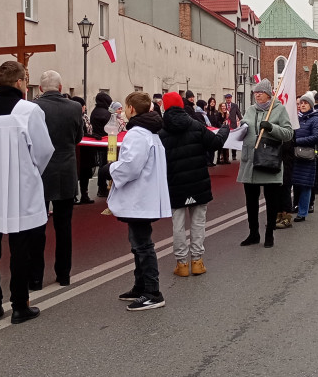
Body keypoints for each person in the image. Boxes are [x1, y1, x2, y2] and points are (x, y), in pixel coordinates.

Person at [0, 61, 54, 325]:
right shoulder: (28, 110)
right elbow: (43, 150)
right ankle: (19, 305)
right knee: (21, 248)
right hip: (20, 187)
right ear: (19, 83)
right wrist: (30, 171)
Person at [107, 92, 171, 311]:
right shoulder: (150, 132)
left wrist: (110, 169)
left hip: (140, 198)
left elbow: (131, 166)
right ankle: (140, 285)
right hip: (145, 196)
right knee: (138, 244)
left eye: (126, 106)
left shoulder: (137, 134)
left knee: (142, 245)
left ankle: (152, 292)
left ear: (131, 109)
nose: (124, 110)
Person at [159, 92, 229, 277]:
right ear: (181, 105)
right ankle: (197, 261)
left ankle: (181, 264)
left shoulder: (161, 132)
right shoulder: (195, 125)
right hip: (198, 182)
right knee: (198, 223)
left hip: (175, 184)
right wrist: (224, 129)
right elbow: (215, 143)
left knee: (178, 225)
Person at [31, 70, 84, 289]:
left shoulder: (33, 108)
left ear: (41, 88)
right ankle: (63, 274)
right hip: (65, 170)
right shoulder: (73, 107)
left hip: (40, 171)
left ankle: (35, 277)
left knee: (36, 226)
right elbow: (78, 136)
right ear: (61, 88)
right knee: (64, 226)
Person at [237, 79, 293, 248]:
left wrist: (271, 128)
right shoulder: (250, 110)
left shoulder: (279, 109)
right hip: (250, 162)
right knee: (251, 202)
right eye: (255, 92)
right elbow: (244, 129)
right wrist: (241, 127)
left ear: (269, 94)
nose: (257, 95)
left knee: (271, 201)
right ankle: (253, 233)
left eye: (260, 92)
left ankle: (269, 234)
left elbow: (288, 133)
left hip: (269, 161)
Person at [292, 93, 318, 222]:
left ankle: (303, 212)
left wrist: (297, 141)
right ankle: (296, 205)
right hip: (295, 155)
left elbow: (316, 136)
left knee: (305, 184)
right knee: (296, 183)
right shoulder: (296, 118)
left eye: (305, 103)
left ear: (311, 105)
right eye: (301, 103)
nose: (303, 105)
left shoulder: (316, 119)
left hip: (307, 156)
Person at [70, 96, 95, 204]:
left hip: (85, 150)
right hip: (78, 150)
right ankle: (74, 195)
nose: (84, 108)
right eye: (83, 106)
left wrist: (93, 136)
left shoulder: (85, 117)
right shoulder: (74, 117)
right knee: (77, 173)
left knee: (84, 173)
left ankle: (84, 195)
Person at [90, 92, 113, 197]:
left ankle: (101, 187)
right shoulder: (106, 114)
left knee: (101, 164)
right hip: (108, 142)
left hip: (97, 141)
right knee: (106, 165)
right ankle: (104, 187)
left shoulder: (94, 112)